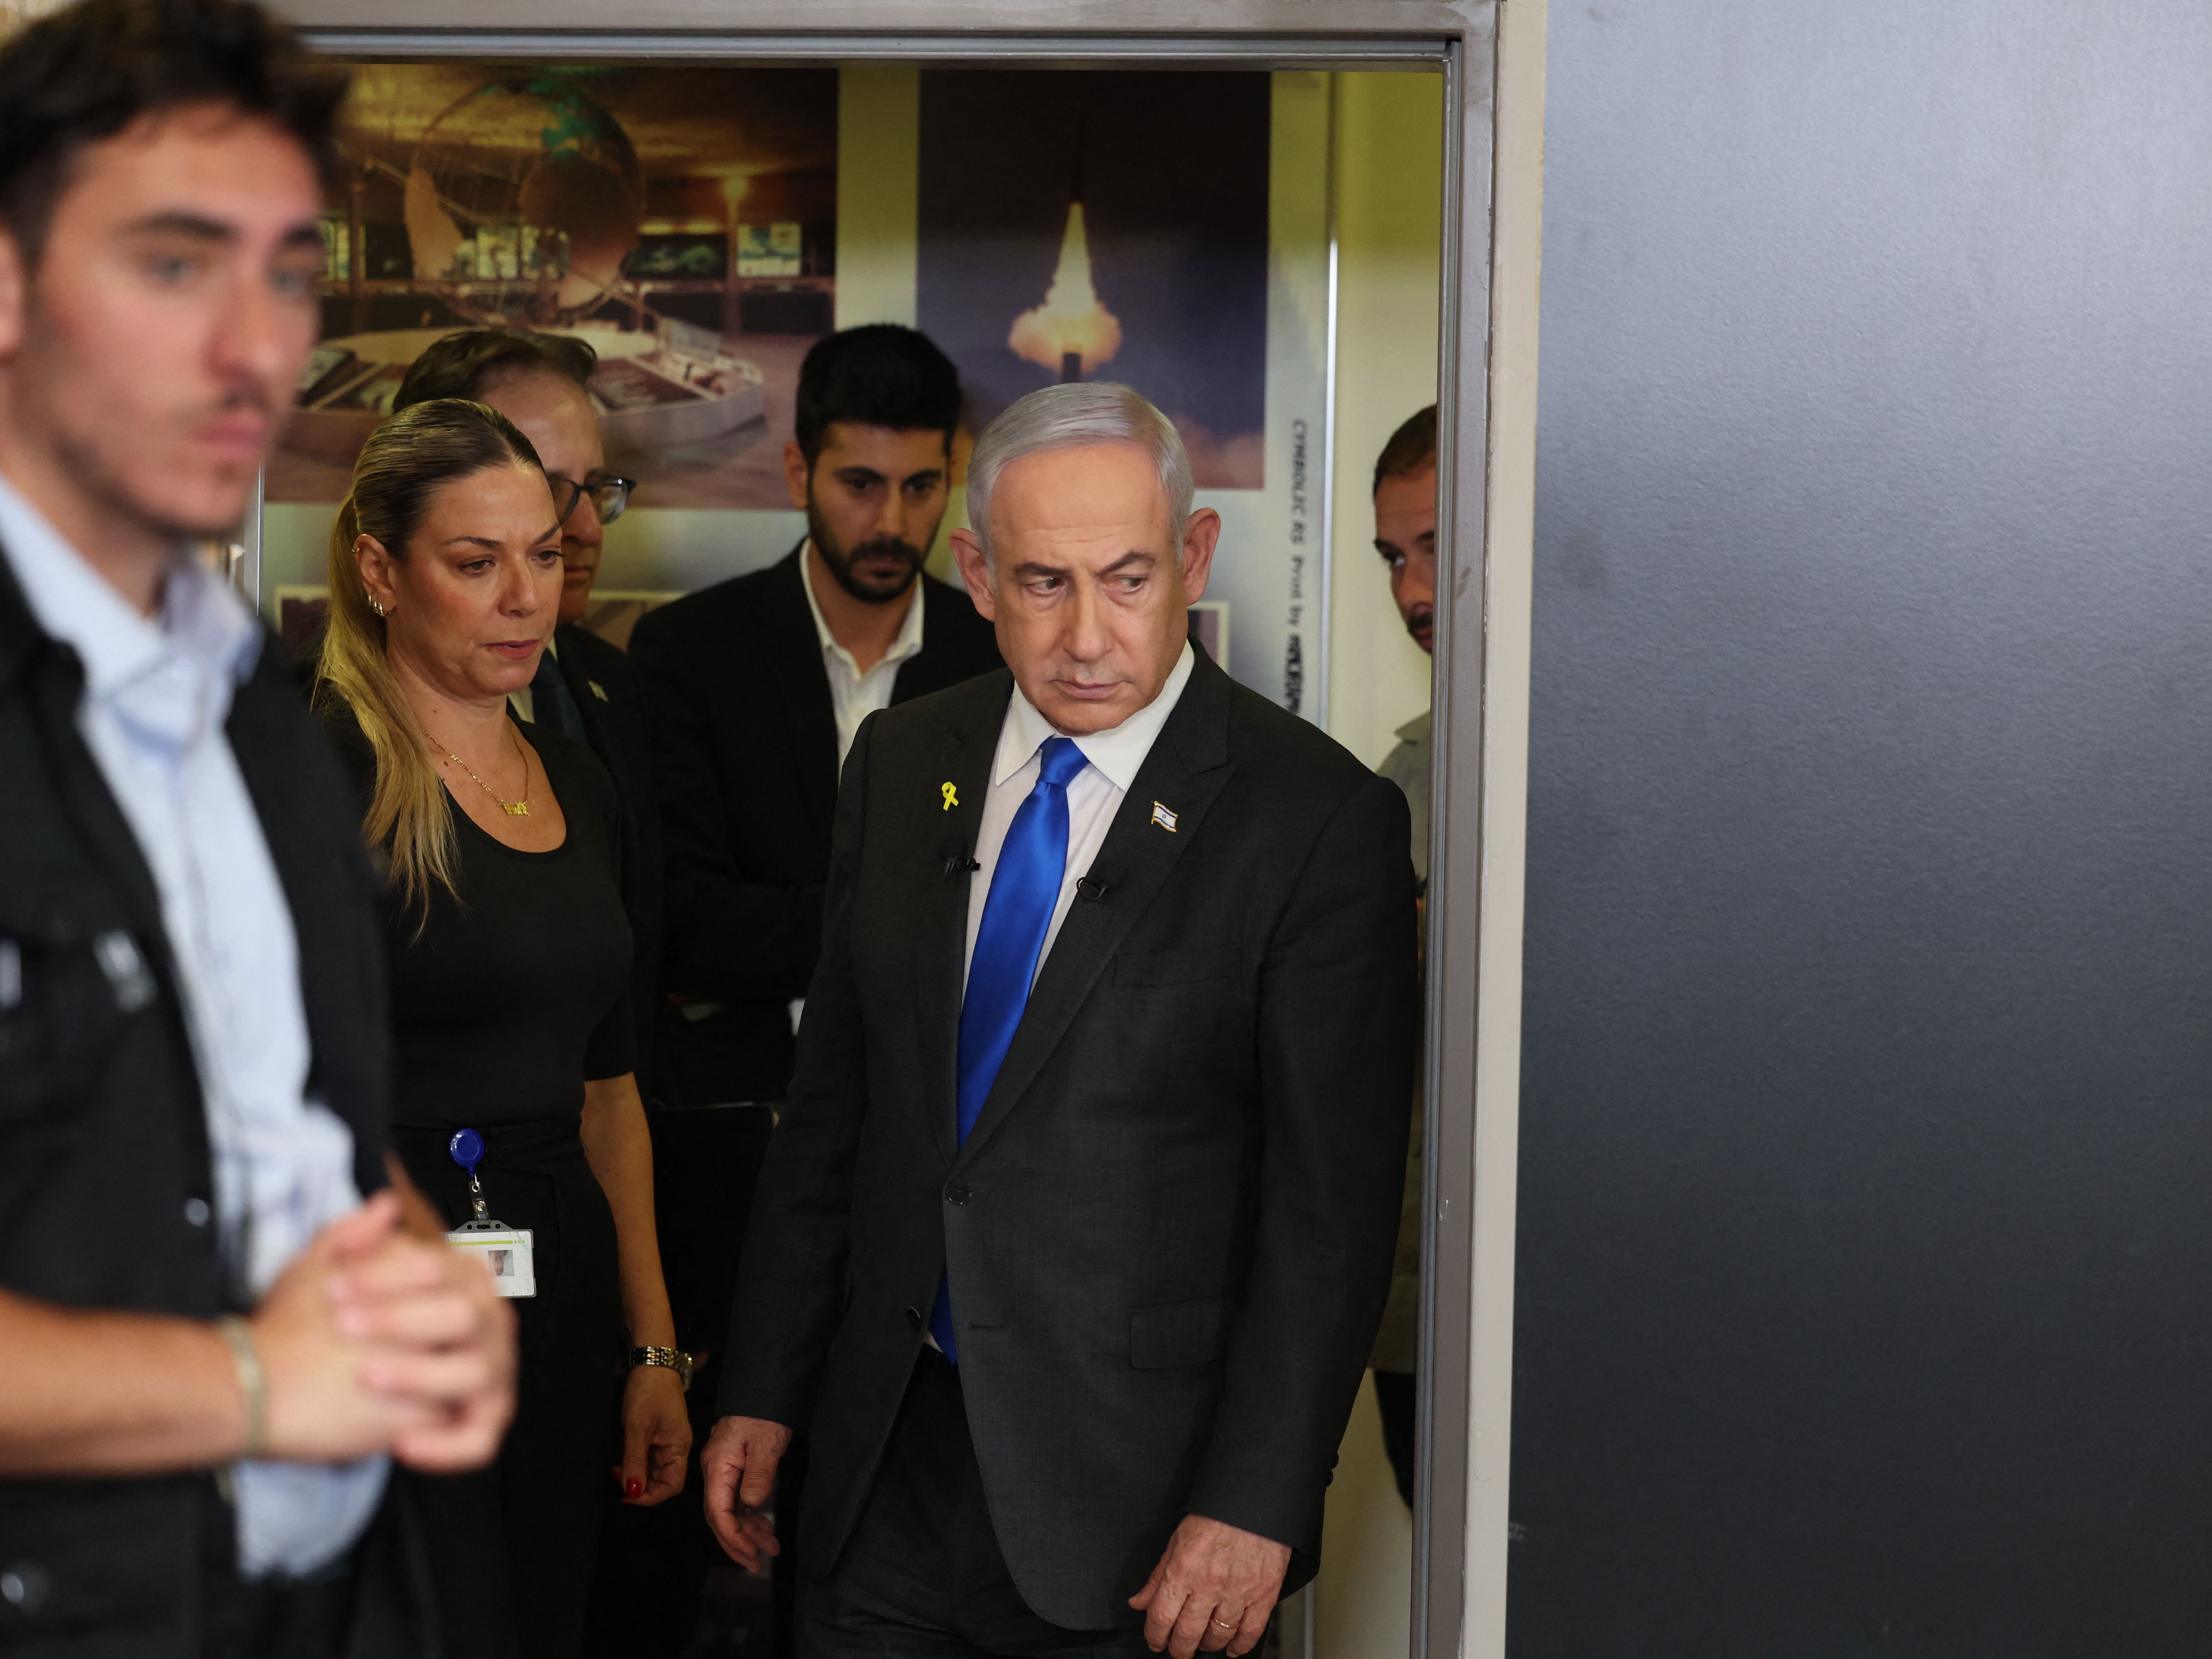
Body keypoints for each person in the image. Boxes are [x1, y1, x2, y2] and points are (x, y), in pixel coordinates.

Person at [703, 382, 1418, 1659]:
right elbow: (834, 1116)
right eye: (1042, 585)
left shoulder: (1311, 819)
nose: (1088, 636)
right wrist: (761, 1385)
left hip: (1138, 1509)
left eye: (1129, 580)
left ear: (1190, 557)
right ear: (974, 573)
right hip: (881, 1467)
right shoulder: (901, 761)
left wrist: (1252, 1503)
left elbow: (1330, 1216)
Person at [0, 2, 513, 1654]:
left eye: (288, 272)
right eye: (172, 263)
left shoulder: (251, 713)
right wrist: (245, 1377)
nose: (253, 347)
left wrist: (420, 1283)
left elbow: (260, 1114)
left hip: (336, 1588)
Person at [626, 322, 1000, 1646]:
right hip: (727, 1169)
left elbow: (1018, 933)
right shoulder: (689, 658)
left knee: (909, 1534)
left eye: (918, 487)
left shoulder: (999, 664)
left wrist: (821, 937)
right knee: (704, 1531)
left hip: (937, 1164)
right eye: (858, 483)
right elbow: (680, 928)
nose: (887, 519)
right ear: (796, 468)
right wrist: (888, 931)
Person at [309, 399, 689, 1659]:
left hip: (563, 1288)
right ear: (380, 569)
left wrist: (653, 1343)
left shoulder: (578, 777)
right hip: (377, 1300)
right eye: (476, 564)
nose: (525, 595)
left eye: (543, 549)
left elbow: (611, 1089)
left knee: (546, 1621)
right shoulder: (316, 778)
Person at [388, 328, 662, 1097]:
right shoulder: (316, 740)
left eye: (593, 486)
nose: (578, 528)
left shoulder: (609, 688)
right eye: (543, 487)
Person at [1367, 403, 1438, 1510]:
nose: (1411, 593)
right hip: (1412, 1316)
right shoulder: (1399, 788)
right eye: (1392, 557)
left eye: (1432, 545)